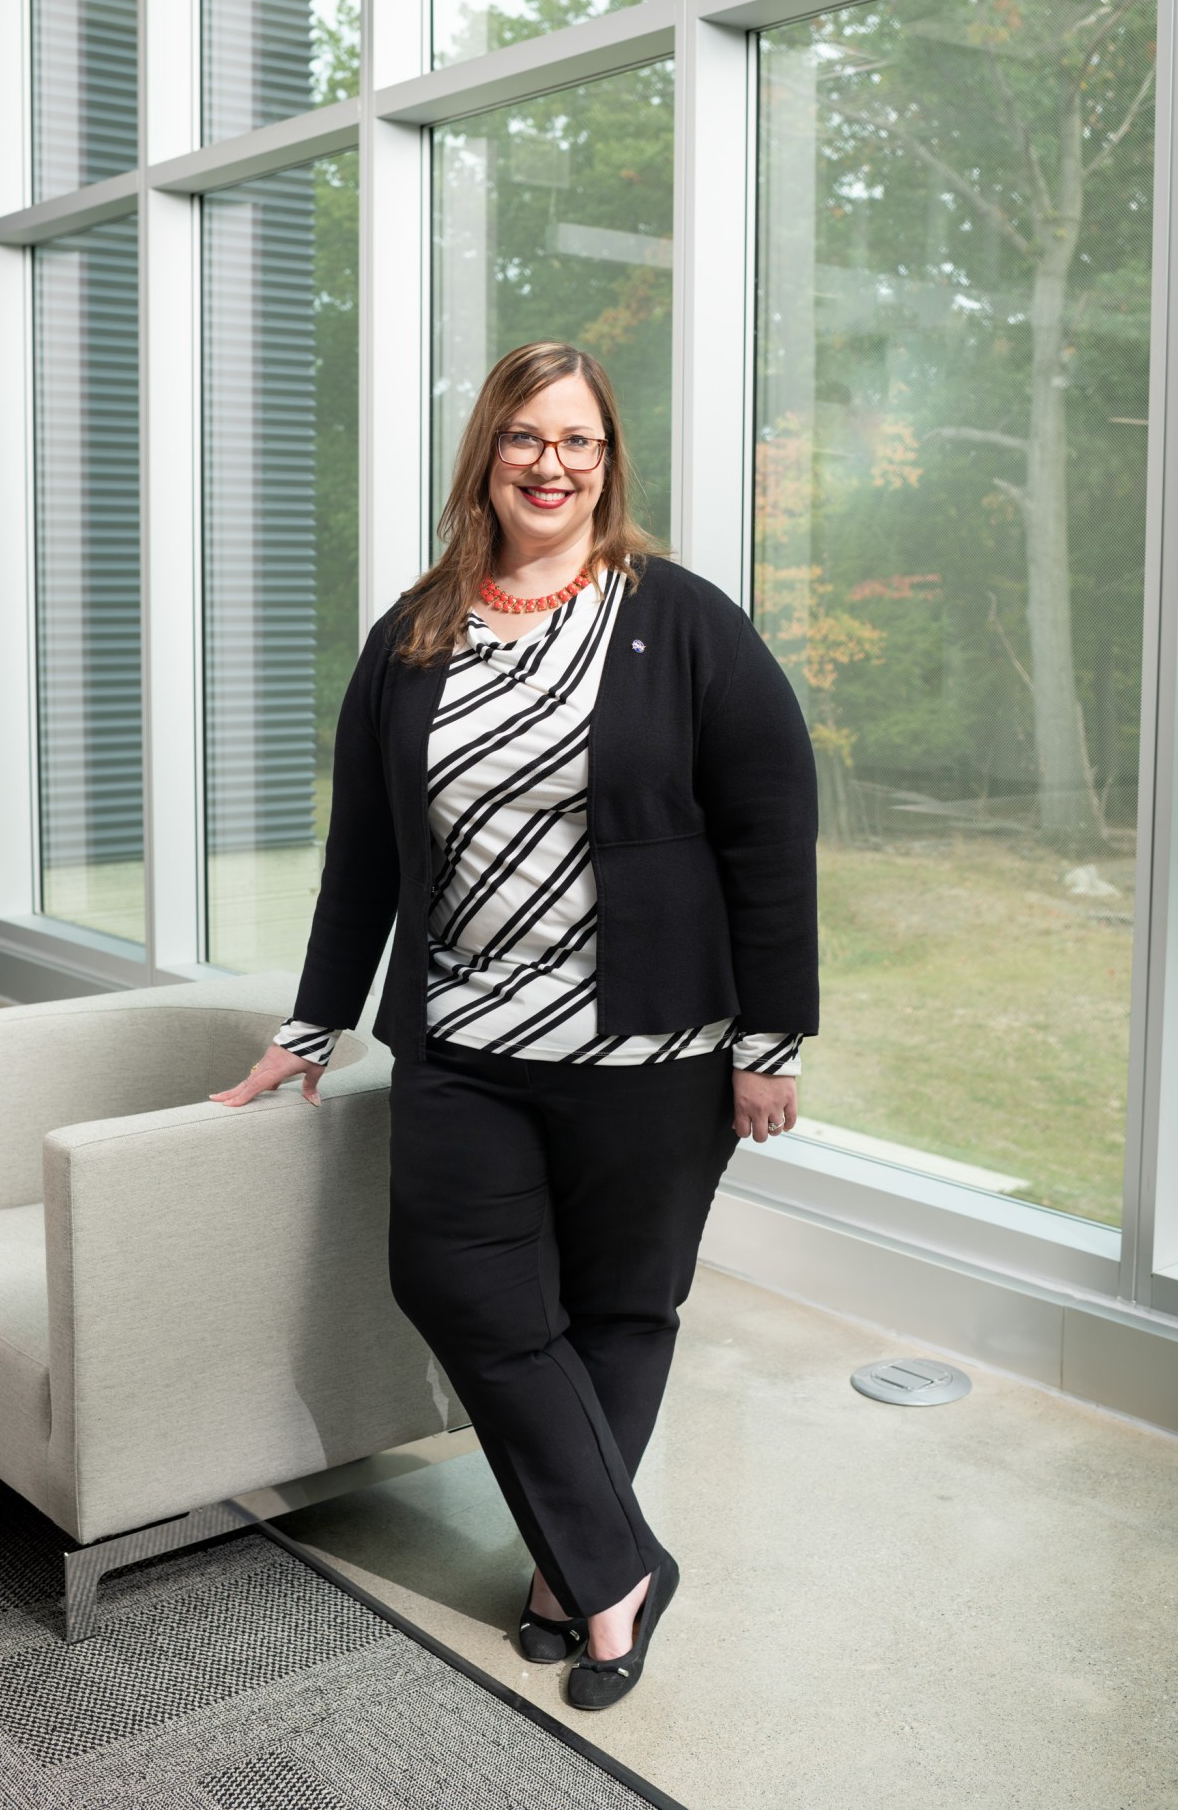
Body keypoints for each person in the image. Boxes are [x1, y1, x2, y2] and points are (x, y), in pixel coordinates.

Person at [210, 339, 818, 1709]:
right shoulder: (416, 632)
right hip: (466, 1049)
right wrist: (309, 1032)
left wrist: (768, 1043)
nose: (552, 465)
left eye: (580, 442)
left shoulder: (682, 621)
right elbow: (361, 860)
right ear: (485, 455)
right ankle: (619, 1565)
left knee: (618, 1308)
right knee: (458, 1287)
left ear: (609, 463)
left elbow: (771, 835)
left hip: (652, 1057)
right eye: (525, 438)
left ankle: (567, 1579)